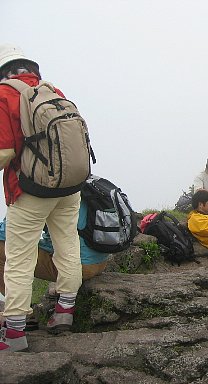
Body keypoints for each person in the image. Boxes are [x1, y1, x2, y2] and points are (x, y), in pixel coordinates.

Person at [0, 44, 82, 351]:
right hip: (69, 186)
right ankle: (64, 312)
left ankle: (15, 334)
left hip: (31, 189)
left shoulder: (5, 94)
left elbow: (6, 151)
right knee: (67, 243)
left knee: (19, 258)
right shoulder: (53, 90)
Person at [0, 199, 109, 295]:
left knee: (4, 248)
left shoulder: (36, 190)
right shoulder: (76, 184)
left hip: (80, 266)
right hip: (99, 262)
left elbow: (10, 234)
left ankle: (14, 308)